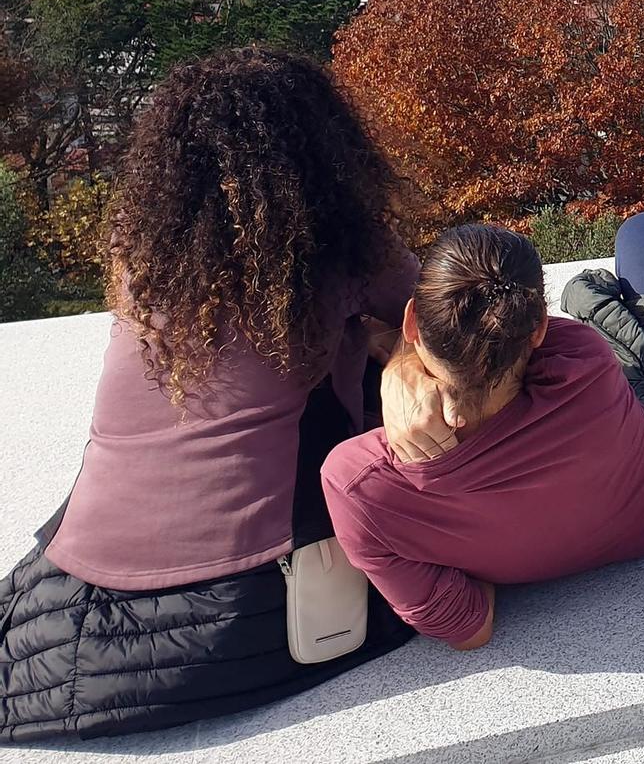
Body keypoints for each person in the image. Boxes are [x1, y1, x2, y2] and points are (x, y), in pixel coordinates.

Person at [1, 47, 441, 742]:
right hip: (251, 606)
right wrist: (388, 347)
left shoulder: (145, 253)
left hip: (77, 587)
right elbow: (443, 318)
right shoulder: (341, 251)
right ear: (327, 151)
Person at [320, 215, 644, 650]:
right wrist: (402, 361)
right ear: (538, 324)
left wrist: (401, 364)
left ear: (411, 321)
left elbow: (469, 629)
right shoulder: (583, 357)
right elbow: (496, 339)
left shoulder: (357, 482)